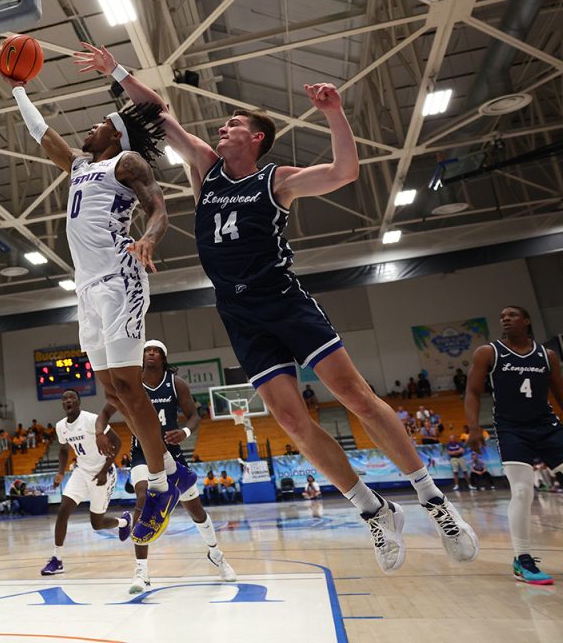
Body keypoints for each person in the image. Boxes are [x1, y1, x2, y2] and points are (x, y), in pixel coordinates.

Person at [79, 44, 478, 572]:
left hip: (283, 301)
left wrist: (334, 113)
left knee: (354, 394)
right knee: (290, 418)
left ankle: (433, 499)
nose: (223, 128)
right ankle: (374, 510)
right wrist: (117, 71)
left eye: (234, 124)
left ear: (257, 139)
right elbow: (161, 114)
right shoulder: (206, 169)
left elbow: (344, 171)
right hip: (237, 313)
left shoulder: (278, 179)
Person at [8, 68, 193, 545]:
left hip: (119, 278)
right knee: (113, 389)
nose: (89, 129)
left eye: (99, 123)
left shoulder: (125, 162)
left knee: (130, 384)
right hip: (86, 288)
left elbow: (159, 208)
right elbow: (39, 132)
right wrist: (18, 90)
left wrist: (148, 240)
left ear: (115, 134)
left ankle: (159, 483)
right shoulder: (76, 165)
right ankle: (167, 471)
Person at [100, 342, 235, 593]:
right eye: (146, 350)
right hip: (141, 453)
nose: (150, 353)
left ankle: (217, 555)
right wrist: (100, 431)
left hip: (172, 454)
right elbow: (106, 410)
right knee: (143, 498)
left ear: (163, 356)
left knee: (197, 511)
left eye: (155, 350)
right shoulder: (133, 383)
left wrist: (184, 431)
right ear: (140, 357)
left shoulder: (176, 383)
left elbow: (194, 415)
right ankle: (142, 571)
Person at [465, 305, 563, 586]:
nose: (505, 318)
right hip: (511, 429)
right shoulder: (489, 352)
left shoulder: (548, 355)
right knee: (521, 490)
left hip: (547, 426)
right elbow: (472, 391)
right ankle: (523, 560)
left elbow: (559, 392)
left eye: (512, 315)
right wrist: (473, 428)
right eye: (502, 316)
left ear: (527, 320)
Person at [40, 389, 129, 576]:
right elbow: (64, 450)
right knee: (63, 510)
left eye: (72, 397)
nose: (68, 401)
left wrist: (105, 470)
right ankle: (57, 559)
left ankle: (123, 522)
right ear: (62, 404)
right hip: (81, 472)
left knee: (96, 524)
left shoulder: (92, 420)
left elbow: (118, 442)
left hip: (103, 473)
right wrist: (60, 472)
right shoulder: (60, 426)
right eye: (64, 399)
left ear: (79, 402)